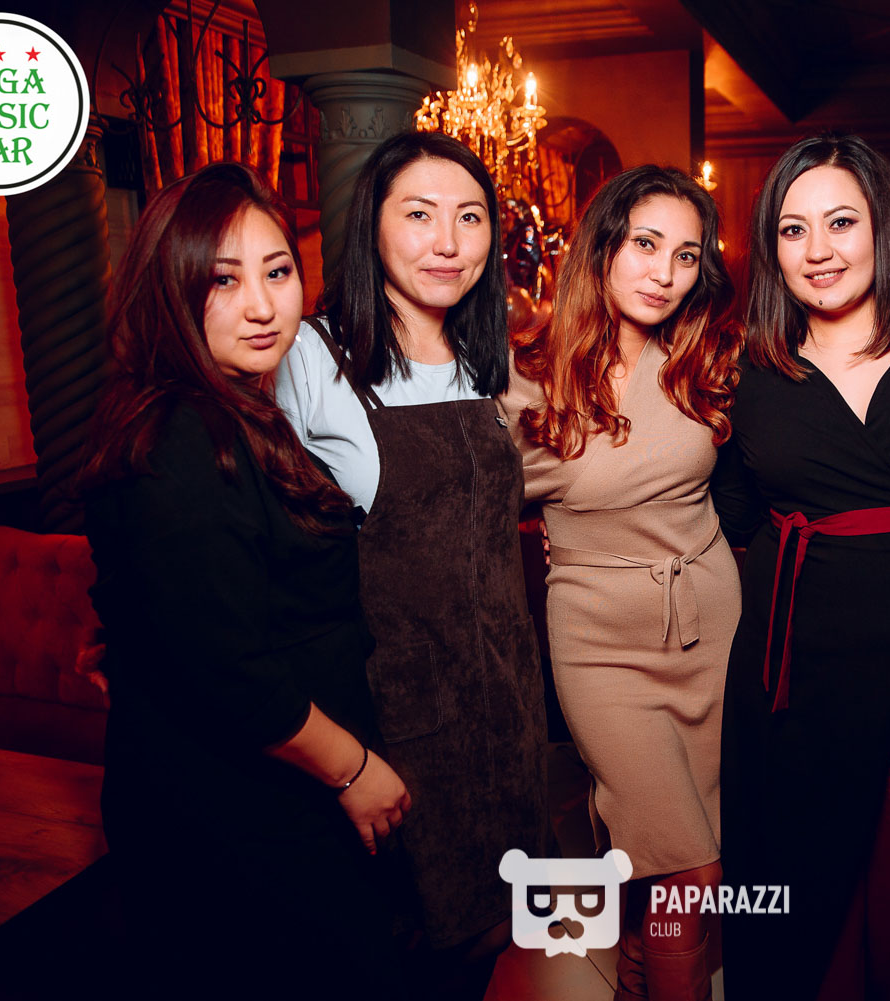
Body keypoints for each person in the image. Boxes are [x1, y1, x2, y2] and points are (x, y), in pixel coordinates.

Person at [79, 163, 409, 995]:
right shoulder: (181, 430)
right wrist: (353, 769)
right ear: (169, 287)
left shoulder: (233, 409)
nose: (263, 306)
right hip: (238, 815)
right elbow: (224, 671)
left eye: (278, 271)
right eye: (223, 280)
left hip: (269, 801)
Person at [710, 133, 890, 1001]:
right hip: (792, 673)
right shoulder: (749, 370)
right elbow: (725, 514)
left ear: (885, 228)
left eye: (841, 222)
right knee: (787, 910)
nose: (818, 250)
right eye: (793, 230)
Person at [275, 132, 547, 997]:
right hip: (390, 710)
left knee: (496, 929)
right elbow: (262, 543)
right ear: (373, 226)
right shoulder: (311, 355)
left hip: (500, 698)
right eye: (421, 215)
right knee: (403, 948)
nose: (448, 242)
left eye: (470, 218)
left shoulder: (485, 356)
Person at [500, 164, 741, 1001]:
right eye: (645, 244)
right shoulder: (525, 373)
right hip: (600, 649)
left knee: (675, 863)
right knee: (689, 871)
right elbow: (462, 505)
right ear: (603, 245)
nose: (664, 273)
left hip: (709, 630)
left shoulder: (706, 355)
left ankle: (639, 980)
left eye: (686, 256)